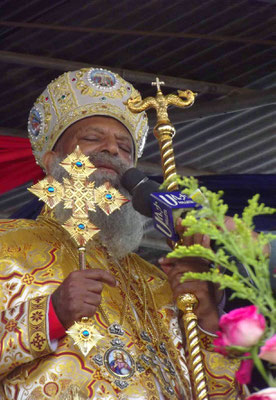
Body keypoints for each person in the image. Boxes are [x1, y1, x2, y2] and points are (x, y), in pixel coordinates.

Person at [0, 68, 247, 400]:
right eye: (92, 138)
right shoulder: (7, 243)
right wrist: (50, 315)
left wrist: (204, 318)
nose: (113, 151)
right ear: (52, 160)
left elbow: (223, 393)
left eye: (124, 147)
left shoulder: (159, 283)